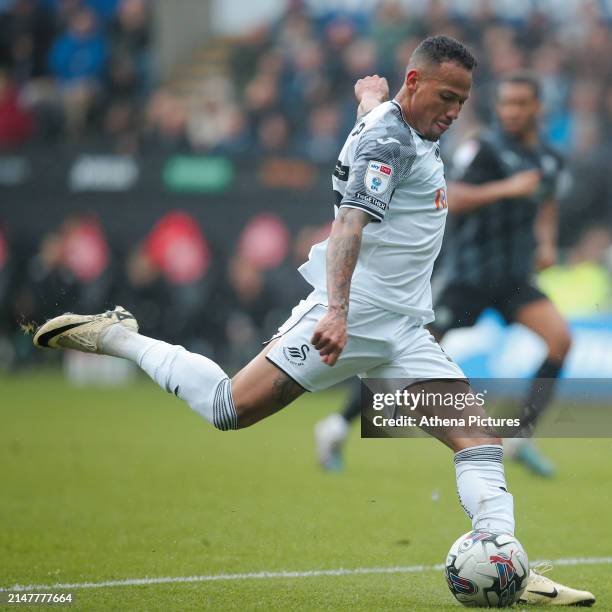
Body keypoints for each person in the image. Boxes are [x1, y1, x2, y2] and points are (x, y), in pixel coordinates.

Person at [32, 36, 594, 606]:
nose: (454, 112)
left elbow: (376, 112)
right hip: (355, 317)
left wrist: (368, 97)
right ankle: (119, 337)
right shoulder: (390, 143)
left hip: (403, 330)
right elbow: (350, 223)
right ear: (416, 82)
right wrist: (338, 312)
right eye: (446, 97)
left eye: (462, 102)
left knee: (478, 443)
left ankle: (505, 566)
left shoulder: (390, 119)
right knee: (229, 408)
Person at [316, 71, 571, 479]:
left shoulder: (550, 158)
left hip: (514, 278)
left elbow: (547, 203)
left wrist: (545, 243)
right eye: (506, 103)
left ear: (537, 107)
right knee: (400, 357)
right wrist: (508, 189)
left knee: (561, 339)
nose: (512, 111)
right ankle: (337, 426)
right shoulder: (483, 149)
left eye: (521, 103)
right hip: (468, 276)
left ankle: (522, 436)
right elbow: (452, 194)